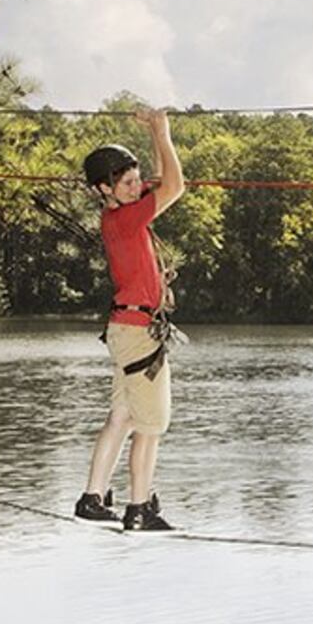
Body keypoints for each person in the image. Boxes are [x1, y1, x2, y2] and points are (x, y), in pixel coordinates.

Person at [75, 107, 185, 532]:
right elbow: (175, 184)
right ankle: (139, 508)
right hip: (138, 333)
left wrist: (158, 139)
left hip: (127, 328)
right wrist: (163, 130)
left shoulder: (122, 211)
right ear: (105, 189)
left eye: (137, 179)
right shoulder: (125, 217)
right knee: (150, 424)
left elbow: (162, 177)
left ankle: (92, 497)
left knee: (122, 416)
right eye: (127, 182)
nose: (138, 186)